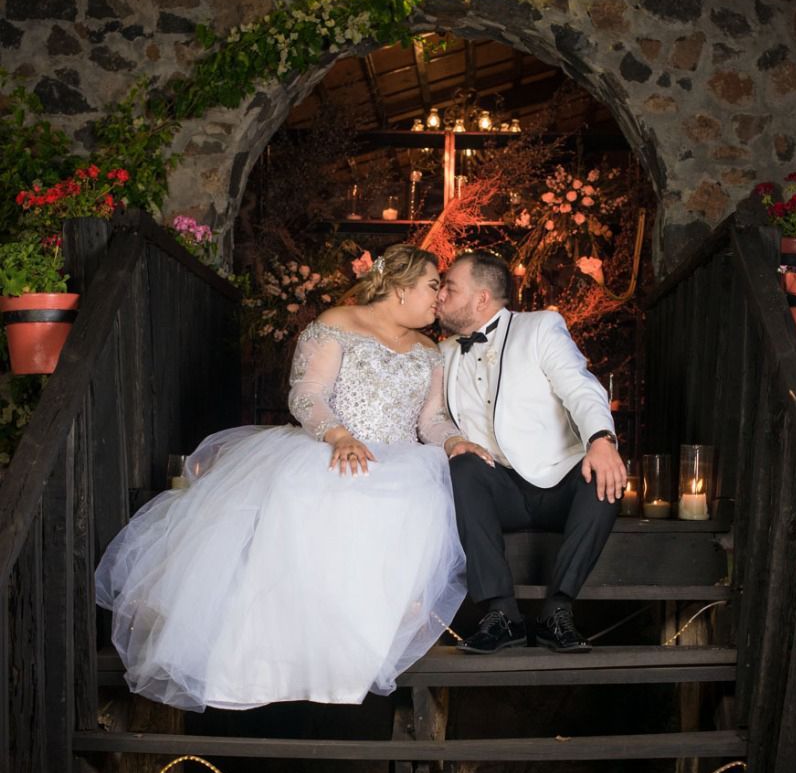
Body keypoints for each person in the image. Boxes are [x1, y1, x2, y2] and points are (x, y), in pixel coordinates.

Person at [95, 245, 490, 712]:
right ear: (401, 288)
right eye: (431, 286)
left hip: (402, 462)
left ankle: (343, 669)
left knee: (408, 503)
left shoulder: (430, 352)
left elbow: (432, 420)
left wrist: (453, 442)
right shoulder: (339, 322)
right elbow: (306, 395)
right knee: (310, 496)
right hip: (332, 447)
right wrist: (340, 436)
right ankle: (261, 669)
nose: (438, 299)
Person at [436, 249, 626, 654]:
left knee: (604, 480)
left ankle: (558, 611)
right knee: (462, 468)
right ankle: (501, 614)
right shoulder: (445, 353)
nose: (440, 296)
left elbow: (580, 386)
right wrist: (454, 440)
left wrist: (601, 440)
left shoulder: (540, 328)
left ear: (482, 298)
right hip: (496, 487)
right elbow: (435, 417)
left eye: (450, 288)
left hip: (558, 482)